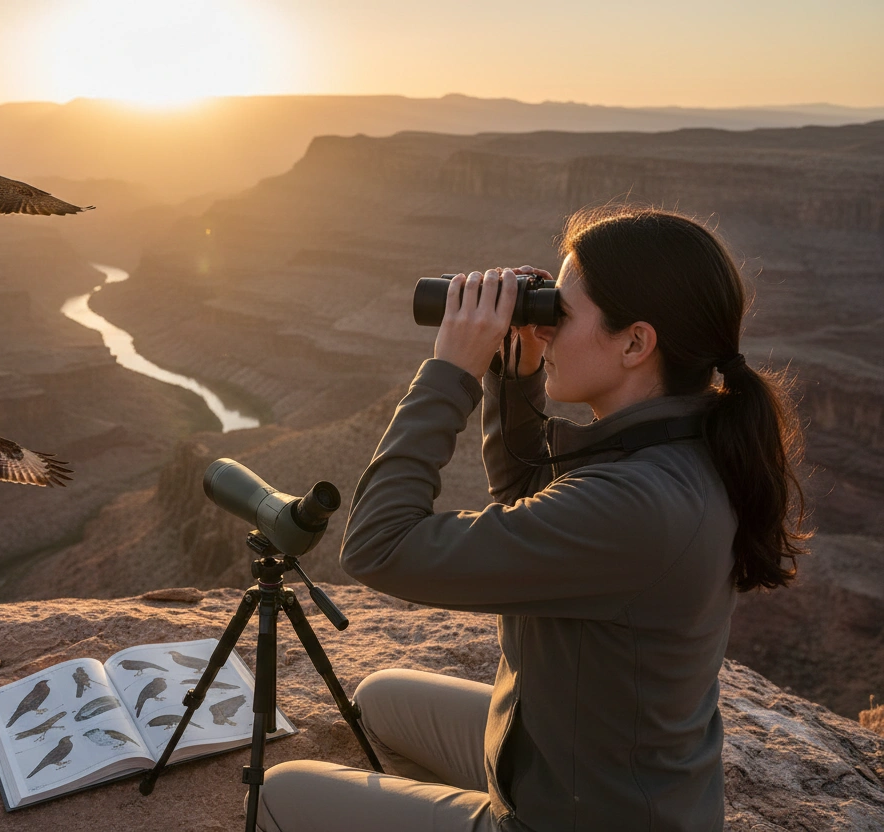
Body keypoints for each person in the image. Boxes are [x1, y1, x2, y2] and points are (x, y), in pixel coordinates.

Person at [254, 206, 810, 832]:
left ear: (635, 343)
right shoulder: (682, 441)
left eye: (559, 313)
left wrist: (451, 373)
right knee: (381, 697)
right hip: (595, 760)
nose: (543, 327)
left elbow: (378, 546)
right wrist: (515, 372)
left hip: (581, 819)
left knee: (281, 792)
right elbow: (529, 498)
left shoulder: (638, 504)